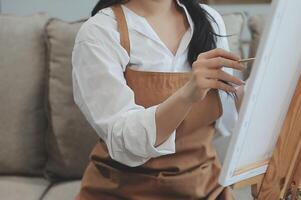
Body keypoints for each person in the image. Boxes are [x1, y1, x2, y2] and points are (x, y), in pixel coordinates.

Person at [72, 0, 244, 199]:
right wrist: (187, 95)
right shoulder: (99, 32)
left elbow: (225, 123)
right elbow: (124, 140)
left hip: (205, 189)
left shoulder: (209, 19)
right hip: (121, 191)